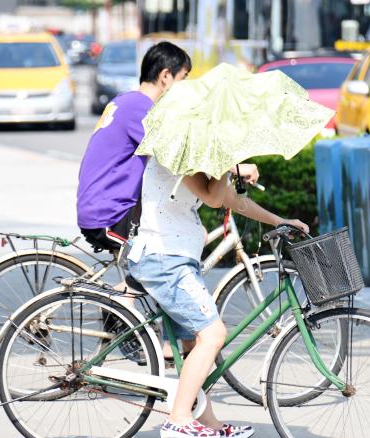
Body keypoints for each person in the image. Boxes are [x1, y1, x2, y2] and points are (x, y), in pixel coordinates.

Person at [76, 41, 259, 360]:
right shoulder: (144, 110)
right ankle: (137, 333)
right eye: (183, 77)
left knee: (168, 255)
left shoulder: (126, 101)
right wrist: (235, 165)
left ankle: (159, 343)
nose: (185, 87)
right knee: (155, 264)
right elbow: (181, 148)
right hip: (112, 210)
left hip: (105, 202)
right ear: (165, 77)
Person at [127, 160, 309, 438]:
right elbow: (213, 198)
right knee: (213, 335)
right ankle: (179, 419)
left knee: (191, 346)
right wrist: (231, 165)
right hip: (165, 260)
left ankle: (208, 423)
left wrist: (278, 221)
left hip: (177, 259)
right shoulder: (179, 154)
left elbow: (229, 199)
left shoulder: (196, 157)